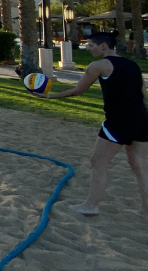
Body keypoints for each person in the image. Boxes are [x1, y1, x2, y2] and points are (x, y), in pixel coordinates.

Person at [33, 32, 148, 217]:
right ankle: (146, 210)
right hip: (141, 119)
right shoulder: (133, 65)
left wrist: (48, 96)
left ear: (104, 46)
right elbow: (144, 95)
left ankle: (91, 205)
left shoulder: (98, 65)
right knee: (140, 166)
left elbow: (78, 91)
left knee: (98, 161)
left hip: (118, 121)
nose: (88, 48)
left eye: (91, 45)